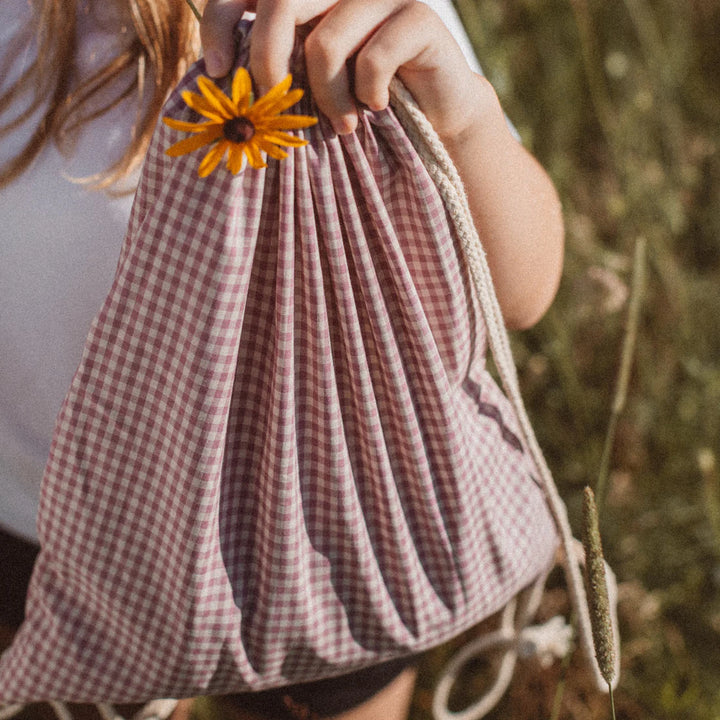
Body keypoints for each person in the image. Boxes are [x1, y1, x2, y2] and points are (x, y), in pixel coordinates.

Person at [0, 1, 564, 719]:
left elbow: (522, 294)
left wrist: (463, 117)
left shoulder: (346, 12)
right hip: (57, 534)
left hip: (321, 526)